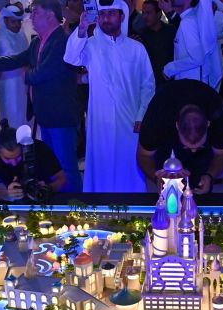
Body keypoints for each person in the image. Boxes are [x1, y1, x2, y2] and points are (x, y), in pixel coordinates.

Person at [0, 0, 83, 193]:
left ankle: (76, 207)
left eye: (35, 13)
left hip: (61, 116)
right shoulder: (38, 41)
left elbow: (42, 73)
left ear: (50, 15)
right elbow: (18, 59)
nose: (30, 17)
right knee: (55, 168)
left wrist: (28, 72)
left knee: (66, 168)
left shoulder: (62, 40)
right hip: (47, 115)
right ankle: (60, 208)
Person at [64, 0, 155, 192]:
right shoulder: (90, 45)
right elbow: (70, 57)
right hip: (100, 122)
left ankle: (132, 213)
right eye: (102, 14)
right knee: (102, 166)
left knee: (129, 166)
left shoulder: (136, 48)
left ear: (122, 17)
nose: (106, 18)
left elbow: (147, 86)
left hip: (130, 121)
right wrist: (81, 27)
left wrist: (141, 116)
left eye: (112, 13)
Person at [137, 79, 223, 193]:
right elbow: (144, 155)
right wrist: (156, 178)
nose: (193, 151)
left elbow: (222, 154)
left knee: (204, 189)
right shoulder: (158, 114)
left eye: (199, 146)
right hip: (166, 150)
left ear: (208, 123)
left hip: (205, 157)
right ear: (176, 125)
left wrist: (210, 176)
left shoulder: (218, 114)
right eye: (187, 146)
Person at [0, 119, 66, 201]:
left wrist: (49, 188)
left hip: (43, 199)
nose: (14, 163)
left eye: (18, 157)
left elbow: (61, 178)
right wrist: (4, 194)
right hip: (12, 203)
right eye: (8, 159)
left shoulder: (39, 148)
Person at [163, 0, 222, 89]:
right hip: (192, 85)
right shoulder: (190, 18)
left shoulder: (188, 22)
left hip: (192, 87)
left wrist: (169, 69)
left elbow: (197, 58)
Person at [0, 3, 30, 130]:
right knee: (11, 114)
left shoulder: (21, 34)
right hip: (8, 83)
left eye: (19, 21)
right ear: (4, 20)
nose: (17, 25)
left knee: (24, 114)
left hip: (23, 80)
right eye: (13, 21)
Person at [139, 0, 177, 86]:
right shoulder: (141, 36)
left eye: (148, 13)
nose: (144, 16)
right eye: (143, 13)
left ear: (159, 14)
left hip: (173, 82)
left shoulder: (172, 31)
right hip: (152, 85)